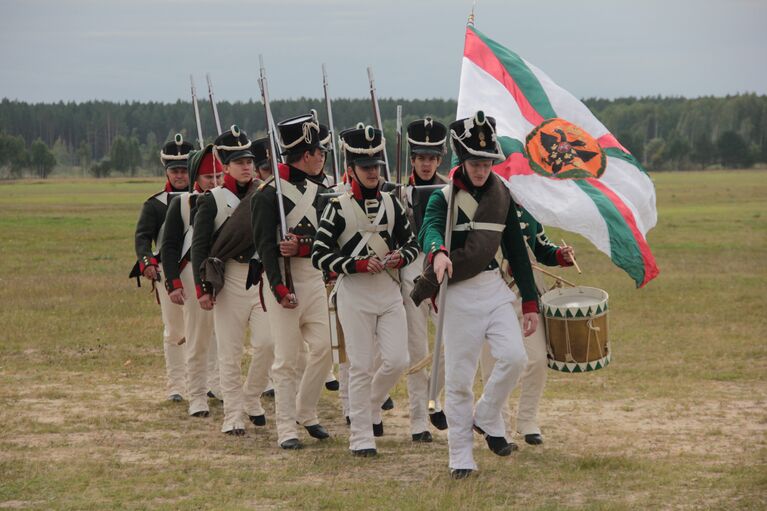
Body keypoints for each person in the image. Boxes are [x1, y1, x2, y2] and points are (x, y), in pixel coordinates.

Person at [414, 111, 539, 479]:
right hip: (457, 294)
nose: (482, 170)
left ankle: (486, 415)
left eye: (487, 162)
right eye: (475, 162)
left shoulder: (502, 196)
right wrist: (437, 252)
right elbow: (430, 228)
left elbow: (516, 251)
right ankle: (461, 456)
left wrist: (529, 302)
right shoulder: (443, 197)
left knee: (515, 358)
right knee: (458, 378)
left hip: (493, 288)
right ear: (462, 161)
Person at [311, 124, 419, 457]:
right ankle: (361, 436)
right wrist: (356, 264)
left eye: (376, 166)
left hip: (388, 292)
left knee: (398, 360)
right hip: (354, 294)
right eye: (366, 167)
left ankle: (369, 405)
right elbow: (320, 254)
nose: (373, 172)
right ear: (352, 170)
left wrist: (400, 256)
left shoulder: (392, 202)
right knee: (359, 366)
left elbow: (412, 243)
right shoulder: (337, 207)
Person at [251, 113, 332, 450]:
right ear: (307, 154)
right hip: (283, 280)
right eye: (319, 152)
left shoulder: (327, 190)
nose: (323, 156)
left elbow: (333, 240)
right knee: (286, 359)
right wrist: (279, 288)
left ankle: (306, 409)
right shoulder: (268, 194)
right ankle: (286, 427)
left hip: (314, 279)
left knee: (326, 348)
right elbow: (264, 247)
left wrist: (304, 246)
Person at [191, 125, 273, 435]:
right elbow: (200, 247)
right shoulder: (211, 200)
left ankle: (251, 397)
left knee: (268, 344)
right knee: (230, 352)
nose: (247, 166)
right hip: (229, 280)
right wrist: (202, 288)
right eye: (239, 162)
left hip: (260, 277)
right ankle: (233, 416)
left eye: (250, 161)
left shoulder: (264, 193)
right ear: (225, 166)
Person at [479, 209, 575, 444]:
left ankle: (527, 420)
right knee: (493, 365)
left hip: (526, 296)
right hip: (491, 296)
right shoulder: (485, 205)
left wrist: (559, 255)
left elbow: (541, 247)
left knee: (538, 360)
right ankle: (499, 424)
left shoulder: (530, 209)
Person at [160, 144, 223, 417]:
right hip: (192, 275)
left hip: (227, 276)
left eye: (219, 176)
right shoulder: (182, 205)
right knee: (197, 339)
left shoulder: (230, 199)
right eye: (209, 177)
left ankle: (221, 386)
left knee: (224, 340)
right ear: (197, 178)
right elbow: (170, 246)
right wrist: (173, 282)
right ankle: (197, 395)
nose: (215, 182)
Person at [130, 133, 192, 402]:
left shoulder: (205, 199)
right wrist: (146, 264)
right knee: (175, 331)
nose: (179, 175)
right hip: (168, 271)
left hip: (198, 270)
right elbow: (143, 238)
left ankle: (211, 383)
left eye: (184, 169)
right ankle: (176, 385)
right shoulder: (154, 204)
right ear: (167, 171)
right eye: (174, 170)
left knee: (206, 330)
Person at [398, 117, 449, 441]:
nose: (427, 163)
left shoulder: (449, 192)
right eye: (421, 158)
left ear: (439, 159)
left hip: (441, 270)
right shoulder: (399, 193)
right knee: (416, 349)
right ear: (413, 159)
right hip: (410, 271)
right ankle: (418, 420)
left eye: (432, 158)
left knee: (449, 344)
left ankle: (433, 398)